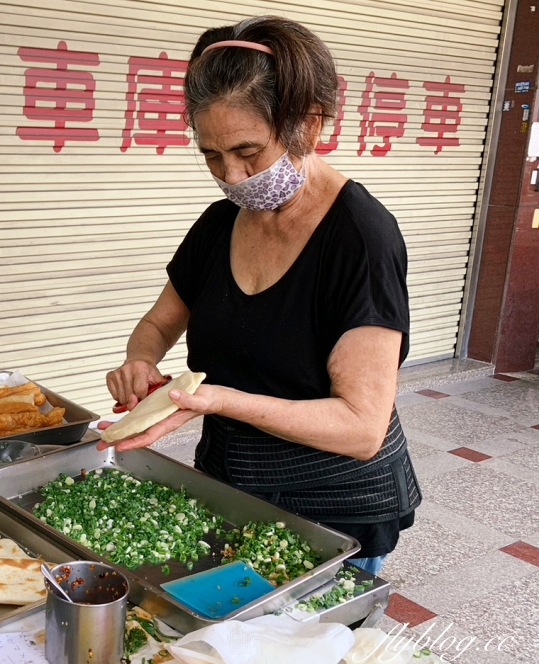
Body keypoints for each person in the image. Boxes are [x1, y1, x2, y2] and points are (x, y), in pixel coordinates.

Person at [103, 16, 421, 576]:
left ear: (309, 125)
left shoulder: (360, 239)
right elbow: (158, 323)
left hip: (332, 510)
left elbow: (361, 428)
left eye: (248, 150)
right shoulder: (220, 224)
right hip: (231, 487)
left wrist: (219, 400)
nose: (231, 175)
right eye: (211, 154)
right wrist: (140, 360)